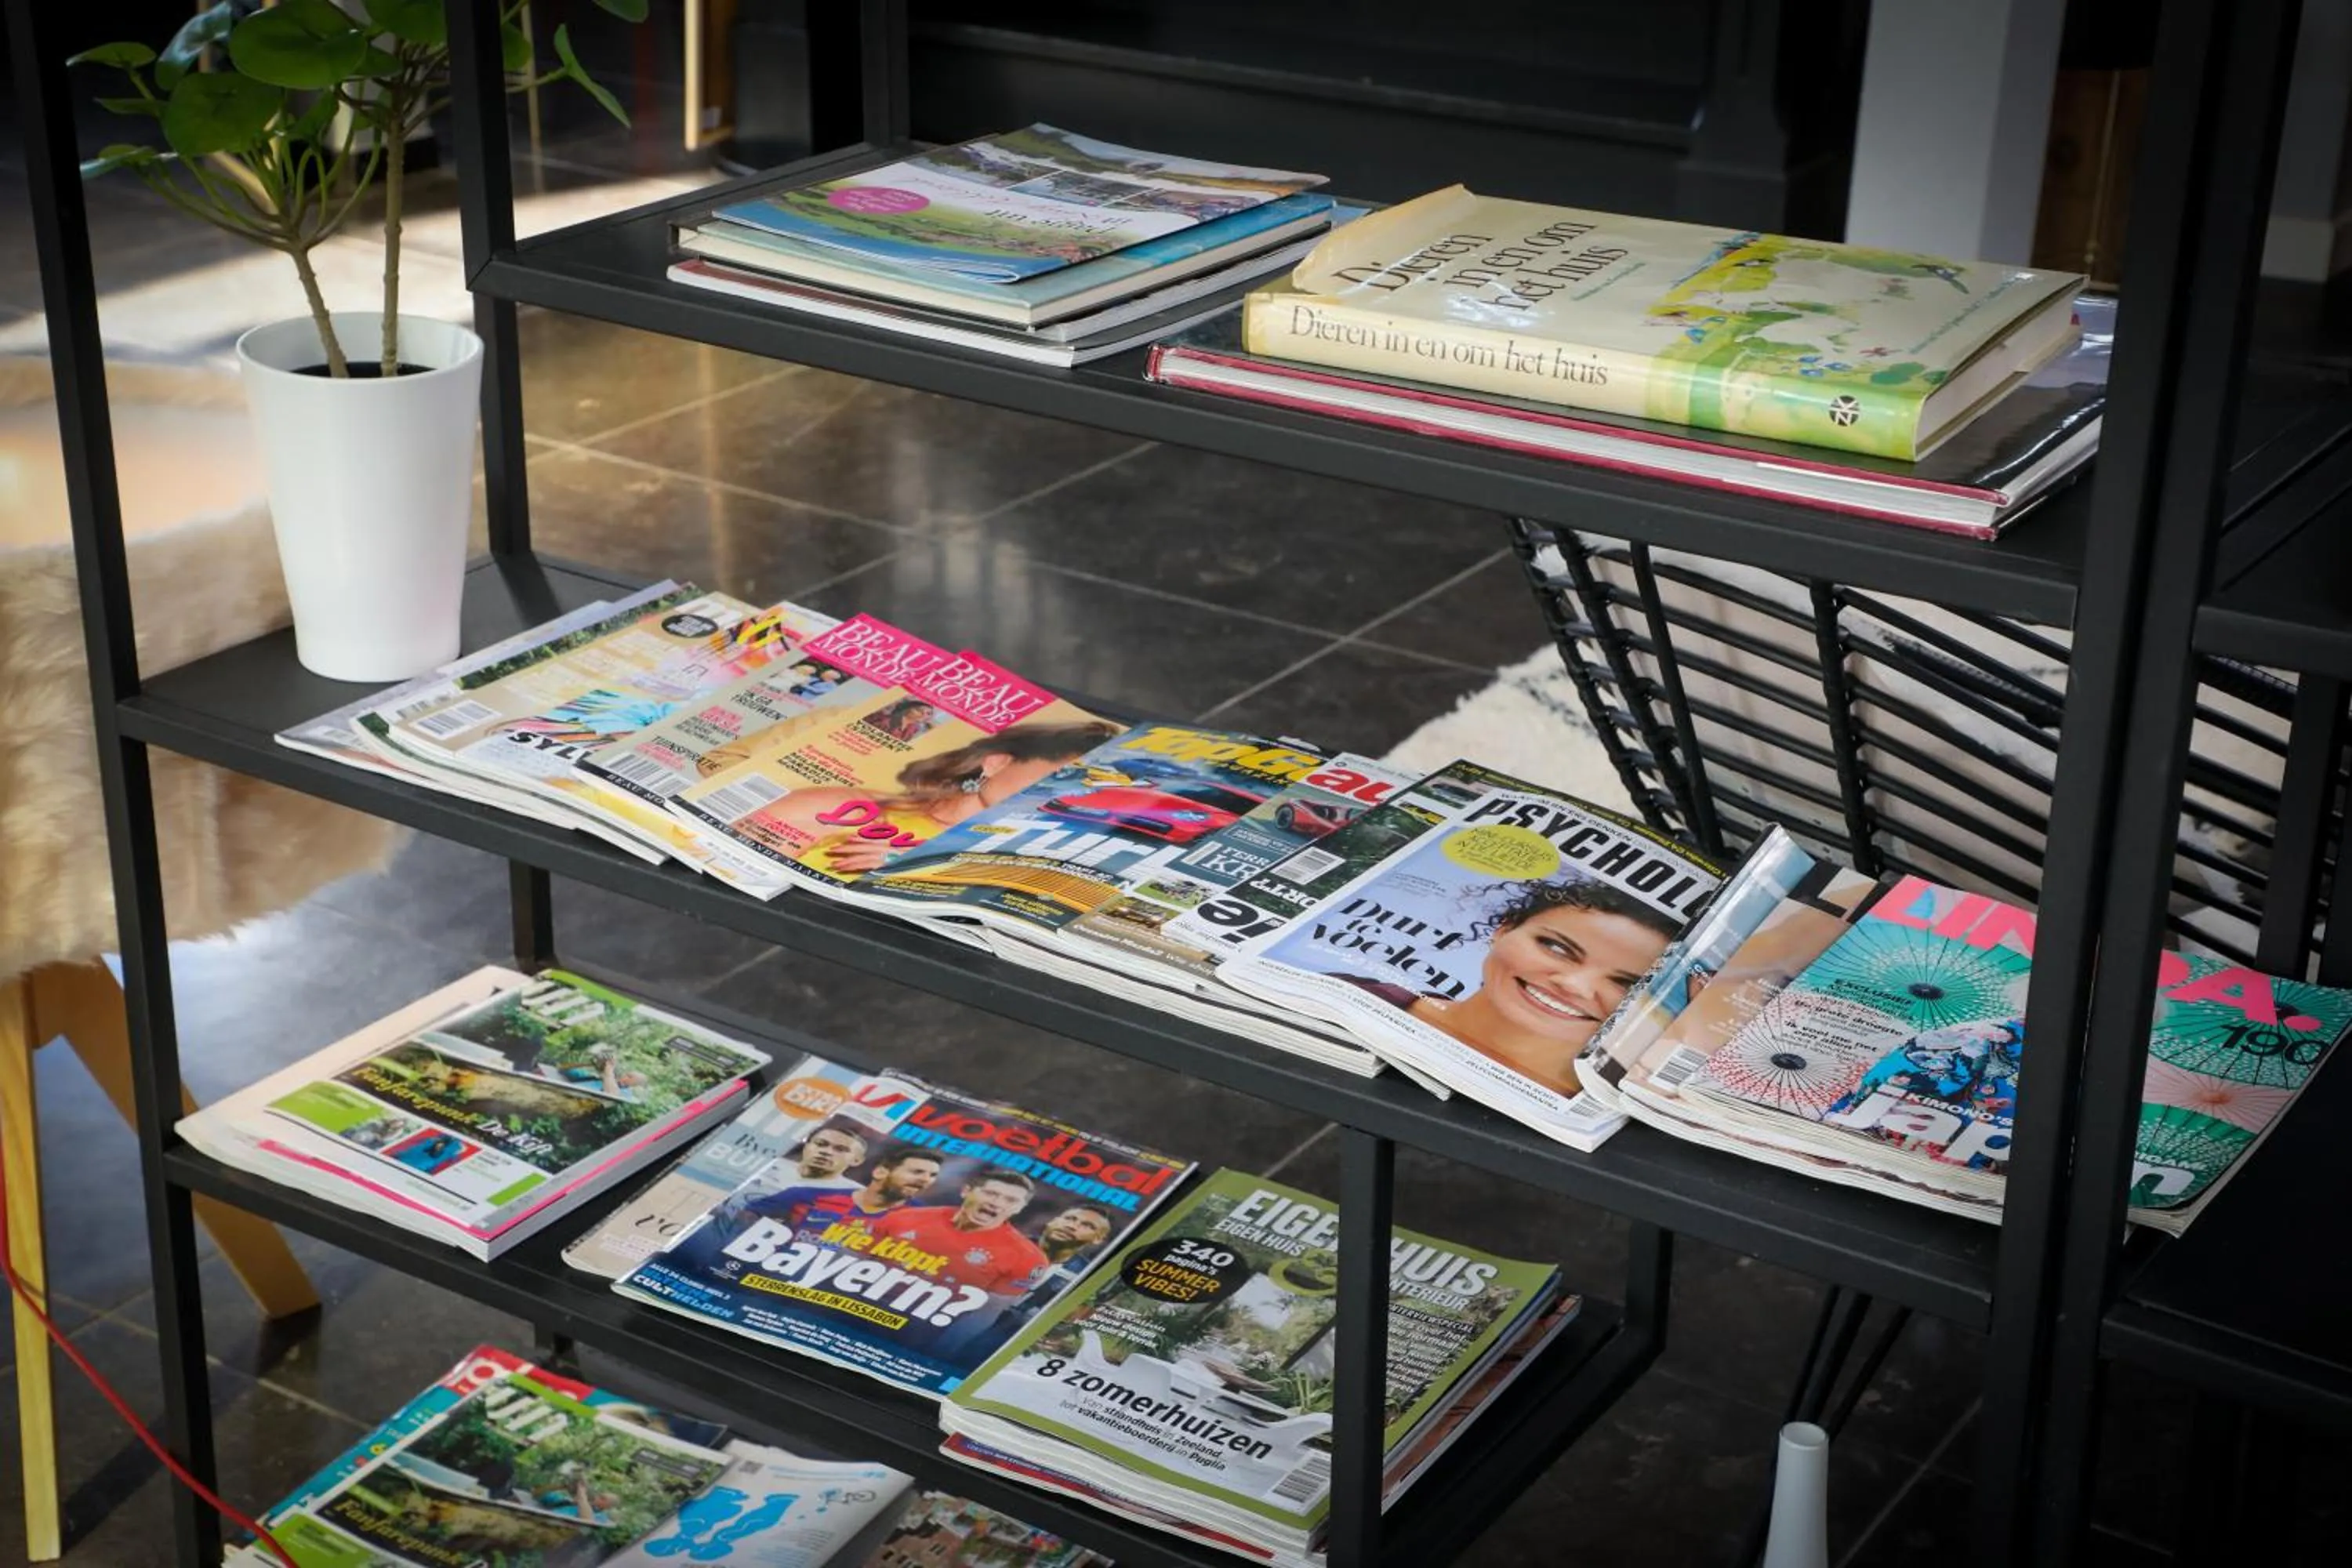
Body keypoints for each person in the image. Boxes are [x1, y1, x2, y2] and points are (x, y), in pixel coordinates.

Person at [1343, 879, 1679, 1098]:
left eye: (1626, 983)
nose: (1574, 985)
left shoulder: (1625, 1097)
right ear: (1504, 930)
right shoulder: (1354, 995)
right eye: (1557, 947)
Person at [740, 720, 1120, 877]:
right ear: (997, 763)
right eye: (1057, 776)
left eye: (1083, 792)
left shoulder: (1026, 860)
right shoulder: (842, 807)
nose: (1061, 797)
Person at [863, 1171, 1048, 1299]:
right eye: (991, 1194)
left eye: (1011, 1200)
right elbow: (858, 1258)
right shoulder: (903, 1217)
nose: (997, 1203)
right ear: (966, 1191)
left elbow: (984, 1316)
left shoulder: (1027, 1259)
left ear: (1020, 1208)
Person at [750, 1145, 943, 1235]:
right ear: (880, 1172)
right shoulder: (806, 1195)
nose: (925, 1180)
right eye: (917, 1172)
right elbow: (744, 1217)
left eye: (932, 1176)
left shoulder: (926, 1220)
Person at [720, 1123, 869, 1234]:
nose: (826, 1152)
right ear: (807, 1146)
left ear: (857, 1160)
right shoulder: (767, 1164)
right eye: (821, 1144)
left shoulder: (856, 1195)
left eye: (841, 1149)